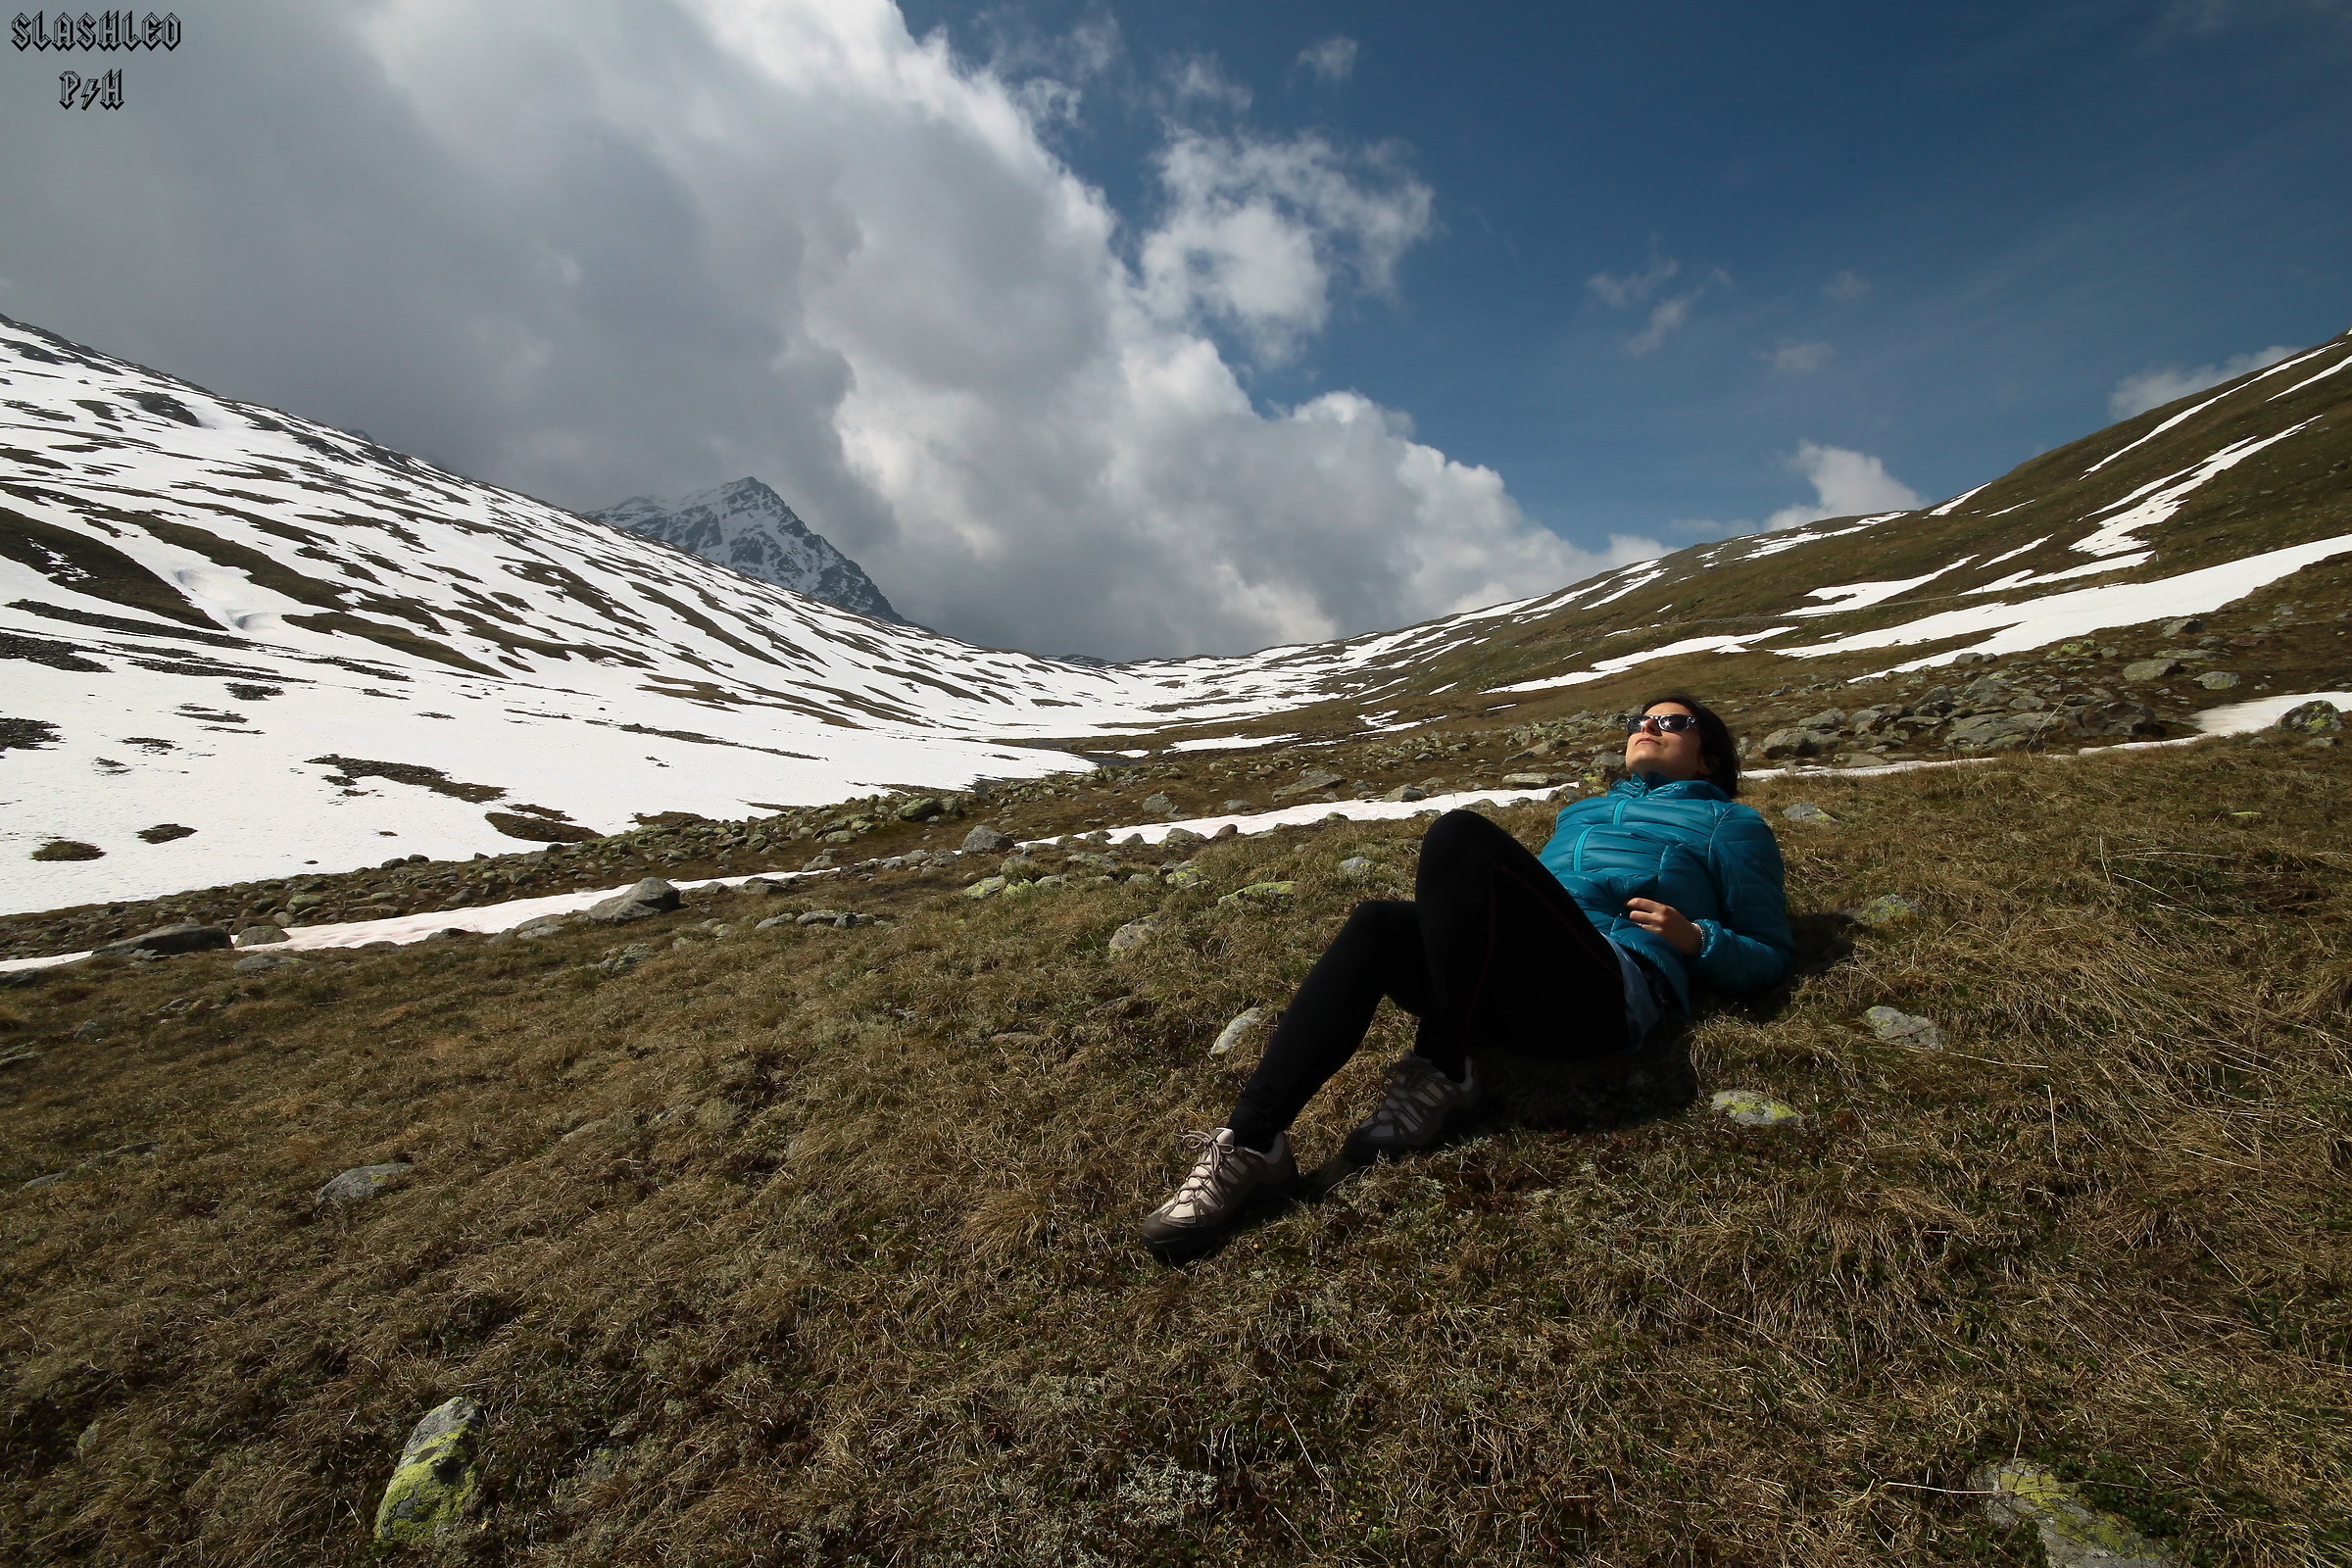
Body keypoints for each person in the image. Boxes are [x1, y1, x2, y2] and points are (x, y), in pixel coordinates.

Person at [1141, 693, 1793, 1254]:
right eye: (1636, 720)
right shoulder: (1581, 813)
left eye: (1672, 723)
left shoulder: (1731, 825)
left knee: (1458, 834)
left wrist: (1696, 937)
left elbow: (1768, 953)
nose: (1645, 728)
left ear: (1708, 756)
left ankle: (1443, 1065)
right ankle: (1252, 1144)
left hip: (1607, 988)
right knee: (1377, 924)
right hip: (1514, 981)